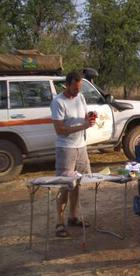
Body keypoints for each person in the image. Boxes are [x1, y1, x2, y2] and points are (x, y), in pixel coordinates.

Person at [50, 71, 95, 237]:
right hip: (66, 149)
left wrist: (89, 118)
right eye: (75, 89)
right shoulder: (58, 102)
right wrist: (83, 126)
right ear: (67, 85)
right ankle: (59, 223)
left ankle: (73, 217)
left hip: (81, 147)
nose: (77, 92)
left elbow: (83, 116)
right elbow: (60, 130)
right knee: (65, 184)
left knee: (78, 182)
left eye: (79, 88)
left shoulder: (80, 98)